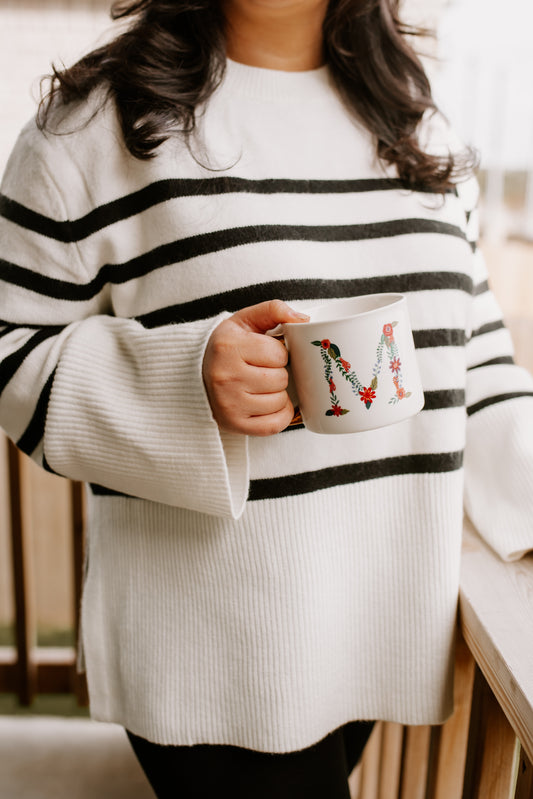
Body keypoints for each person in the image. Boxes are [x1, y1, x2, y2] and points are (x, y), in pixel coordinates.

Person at [1, 0, 532, 796]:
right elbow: (11, 342)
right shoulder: (91, 127)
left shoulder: (417, 121)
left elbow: (477, 360)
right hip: (216, 651)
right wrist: (187, 378)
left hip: (373, 630)